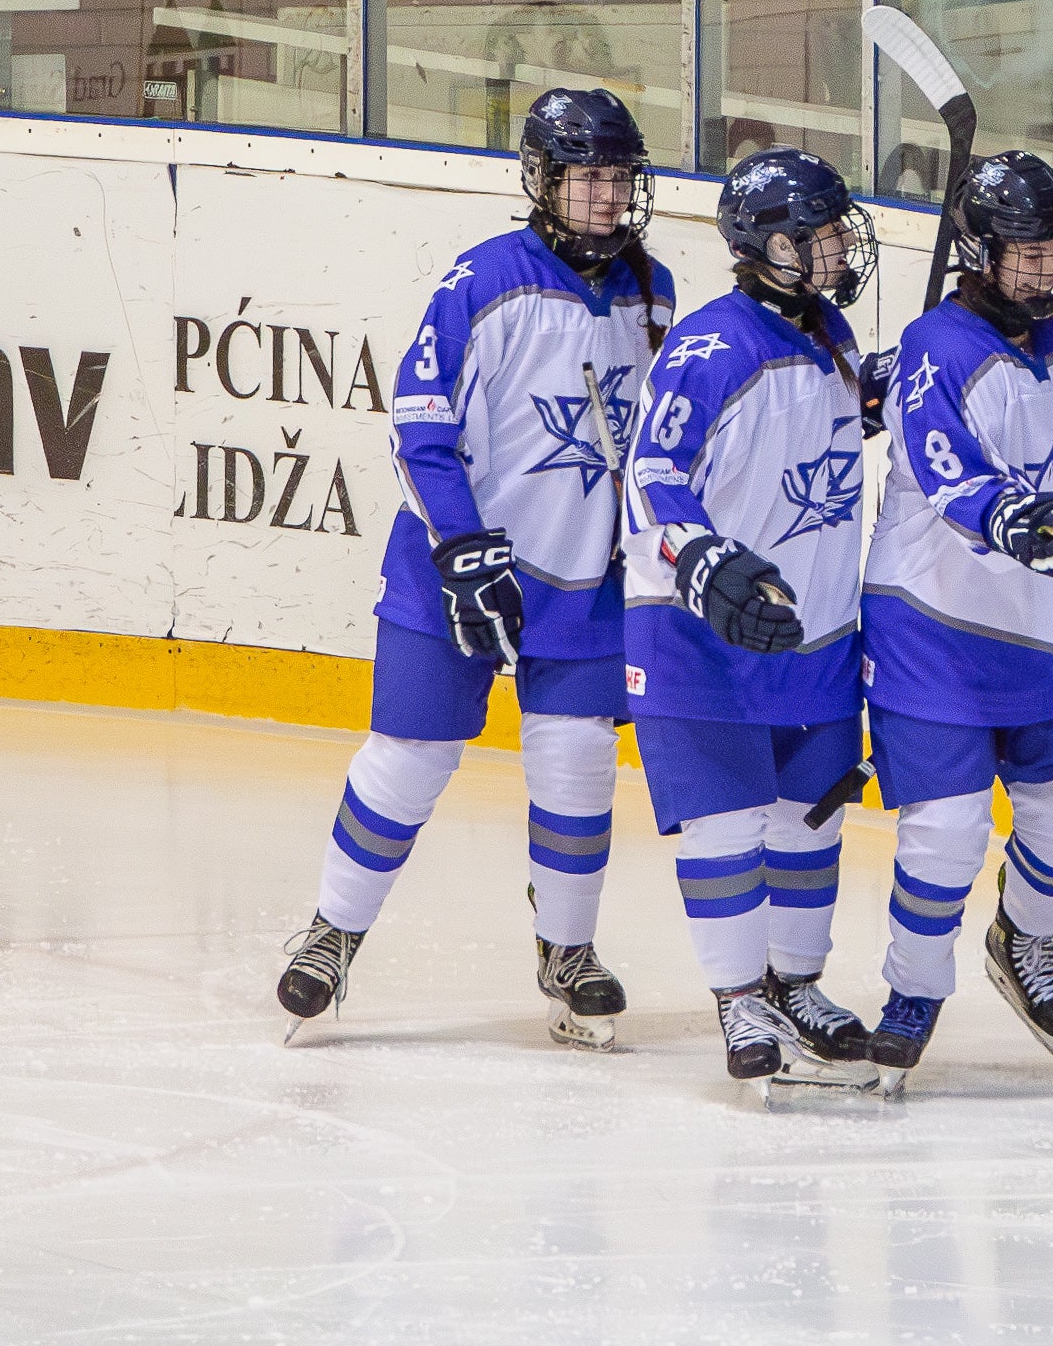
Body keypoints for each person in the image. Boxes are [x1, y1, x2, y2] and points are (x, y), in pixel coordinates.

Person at [274, 89, 673, 1050]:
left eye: (619, 179)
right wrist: (459, 542)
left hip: (583, 580)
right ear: (543, 181)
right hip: (453, 568)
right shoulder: (480, 281)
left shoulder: (651, 290)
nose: (607, 199)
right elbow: (419, 425)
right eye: (588, 179)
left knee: (577, 766)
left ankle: (565, 951)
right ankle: (332, 931)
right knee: (409, 760)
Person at [621, 147, 881, 1087]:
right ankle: (738, 998)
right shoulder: (709, 346)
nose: (837, 248)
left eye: (837, 231)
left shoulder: (832, 333)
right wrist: (702, 560)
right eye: (817, 236)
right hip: (700, 628)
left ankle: (794, 981)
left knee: (808, 821)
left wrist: (869, 400)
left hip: (810, 627)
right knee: (726, 825)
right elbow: (652, 476)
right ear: (766, 244)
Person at [858, 150, 1053, 1090]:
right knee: (948, 829)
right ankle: (911, 992)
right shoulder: (940, 344)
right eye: (1025, 253)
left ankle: (1024, 940)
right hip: (933, 624)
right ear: (979, 251)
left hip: (1048, 628)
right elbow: (950, 470)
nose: (1045, 270)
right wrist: (1020, 522)